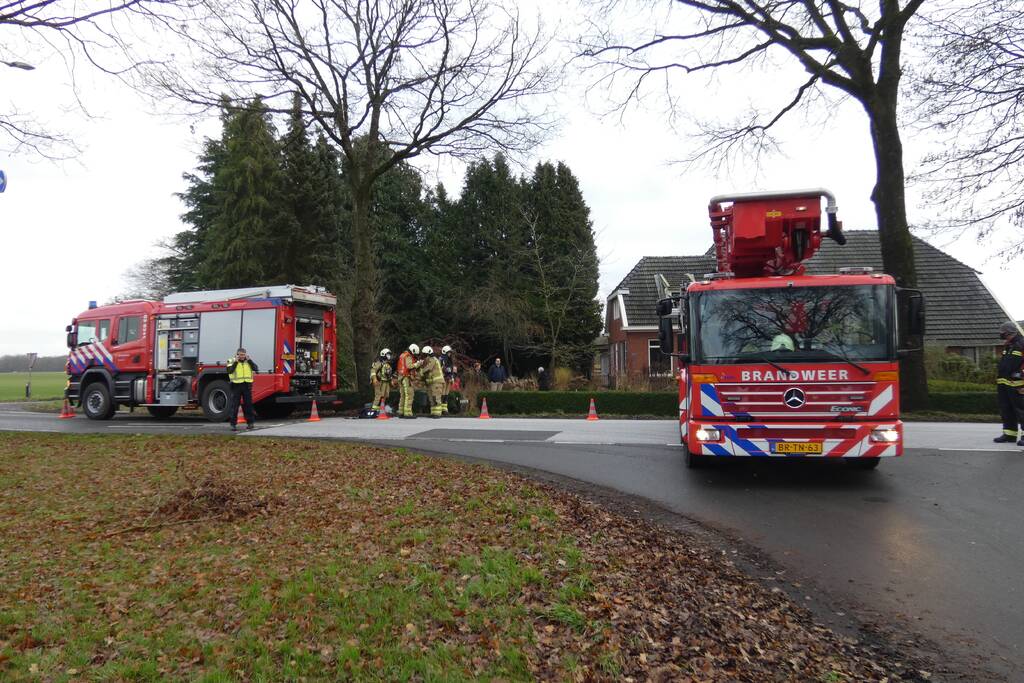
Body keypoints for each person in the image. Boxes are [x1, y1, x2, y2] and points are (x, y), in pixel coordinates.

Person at [994, 321, 1024, 446]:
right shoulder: (1009, 345)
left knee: (1022, 410)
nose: (1001, 335)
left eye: (1003, 333)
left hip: (1019, 384)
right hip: (1005, 383)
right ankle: (1009, 434)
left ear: (1009, 332)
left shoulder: (1021, 343)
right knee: (1006, 409)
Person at [226, 347, 258, 431]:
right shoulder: (231, 361)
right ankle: (233, 424)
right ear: (237, 355)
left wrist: (250, 360)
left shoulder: (248, 361)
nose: (242, 356)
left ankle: (250, 423)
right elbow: (230, 371)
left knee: (248, 405)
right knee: (234, 406)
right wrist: (236, 362)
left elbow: (256, 368)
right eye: (240, 355)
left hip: (246, 385)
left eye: (243, 355)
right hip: (236, 385)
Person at [420, 346, 446, 418]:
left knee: (436, 397)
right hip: (432, 382)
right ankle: (433, 412)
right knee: (431, 398)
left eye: (425, 354)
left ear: (428, 353)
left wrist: (421, 372)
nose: (424, 356)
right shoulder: (429, 360)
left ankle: (437, 413)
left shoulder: (433, 359)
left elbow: (428, 368)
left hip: (437, 382)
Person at [396, 344, 420, 418]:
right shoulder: (408, 356)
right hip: (406, 377)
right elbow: (409, 366)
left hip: (401, 377)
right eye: (415, 354)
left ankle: (401, 412)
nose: (415, 355)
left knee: (403, 395)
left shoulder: (402, 355)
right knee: (409, 395)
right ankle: (408, 413)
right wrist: (417, 364)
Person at [370, 348, 394, 414]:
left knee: (385, 395)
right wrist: (374, 379)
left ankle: (381, 408)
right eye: (388, 354)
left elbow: (389, 374)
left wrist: (391, 381)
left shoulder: (387, 364)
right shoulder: (378, 363)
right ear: (383, 354)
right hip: (379, 381)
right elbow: (373, 371)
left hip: (386, 382)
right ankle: (374, 409)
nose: (389, 356)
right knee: (378, 395)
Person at [440, 345, 457, 415]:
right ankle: (440, 408)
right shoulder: (441, 359)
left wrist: (452, 377)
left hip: (448, 378)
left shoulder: (449, 359)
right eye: (449, 352)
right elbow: (440, 369)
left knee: (446, 393)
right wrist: (447, 370)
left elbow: (451, 369)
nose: (450, 354)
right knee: (443, 392)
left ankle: (444, 409)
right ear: (445, 352)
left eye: (450, 353)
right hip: (443, 378)